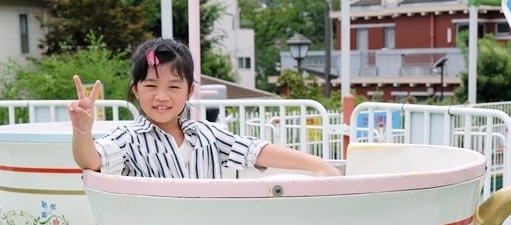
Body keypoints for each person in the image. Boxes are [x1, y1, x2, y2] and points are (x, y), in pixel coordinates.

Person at [69, 37, 340, 178]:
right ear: (135, 89)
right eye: (151, 86)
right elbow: (92, 161)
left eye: (173, 87)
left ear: (189, 91)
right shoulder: (128, 138)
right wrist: (82, 131)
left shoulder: (206, 135)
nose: (161, 96)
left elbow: (256, 151)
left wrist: (317, 164)